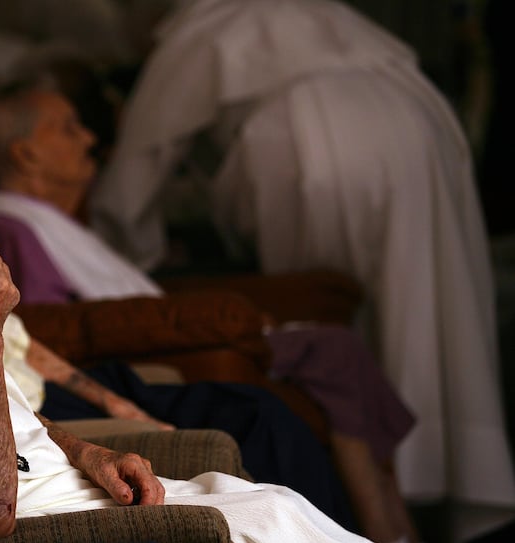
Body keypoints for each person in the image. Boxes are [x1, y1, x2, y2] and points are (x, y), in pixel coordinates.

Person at [0, 180, 385, 543]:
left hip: (78, 497)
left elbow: (16, 425)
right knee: (269, 521)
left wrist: (91, 455)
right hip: (45, 531)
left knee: (277, 503)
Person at [86, 0, 515, 509]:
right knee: (428, 299)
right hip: (419, 125)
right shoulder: (310, 12)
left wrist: (127, 248)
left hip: (320, 139)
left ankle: (399, 483)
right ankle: (436, 478)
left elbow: (141, 159)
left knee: (340, 306)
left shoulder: (201, 30)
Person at [0, 78, 422, 543]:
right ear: (26, 155)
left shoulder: (52, 222)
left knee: (276, 401)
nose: (87, 138)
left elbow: (24, 338)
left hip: (92, 383)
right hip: (74, 384)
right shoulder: (7, 229)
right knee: (265, 411)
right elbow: (50, 327)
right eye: (67, 129)